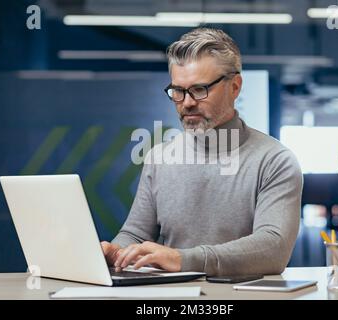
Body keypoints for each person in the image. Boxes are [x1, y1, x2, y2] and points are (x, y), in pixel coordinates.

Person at [101, 27, 303, 276]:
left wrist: (182, 259)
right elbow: (136, 233)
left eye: (199, 89)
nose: (187, 102)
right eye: (178, 91)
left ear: (235, 87)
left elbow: (273, 249)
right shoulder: (159, 158)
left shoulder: (275, 161)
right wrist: (116, 252)